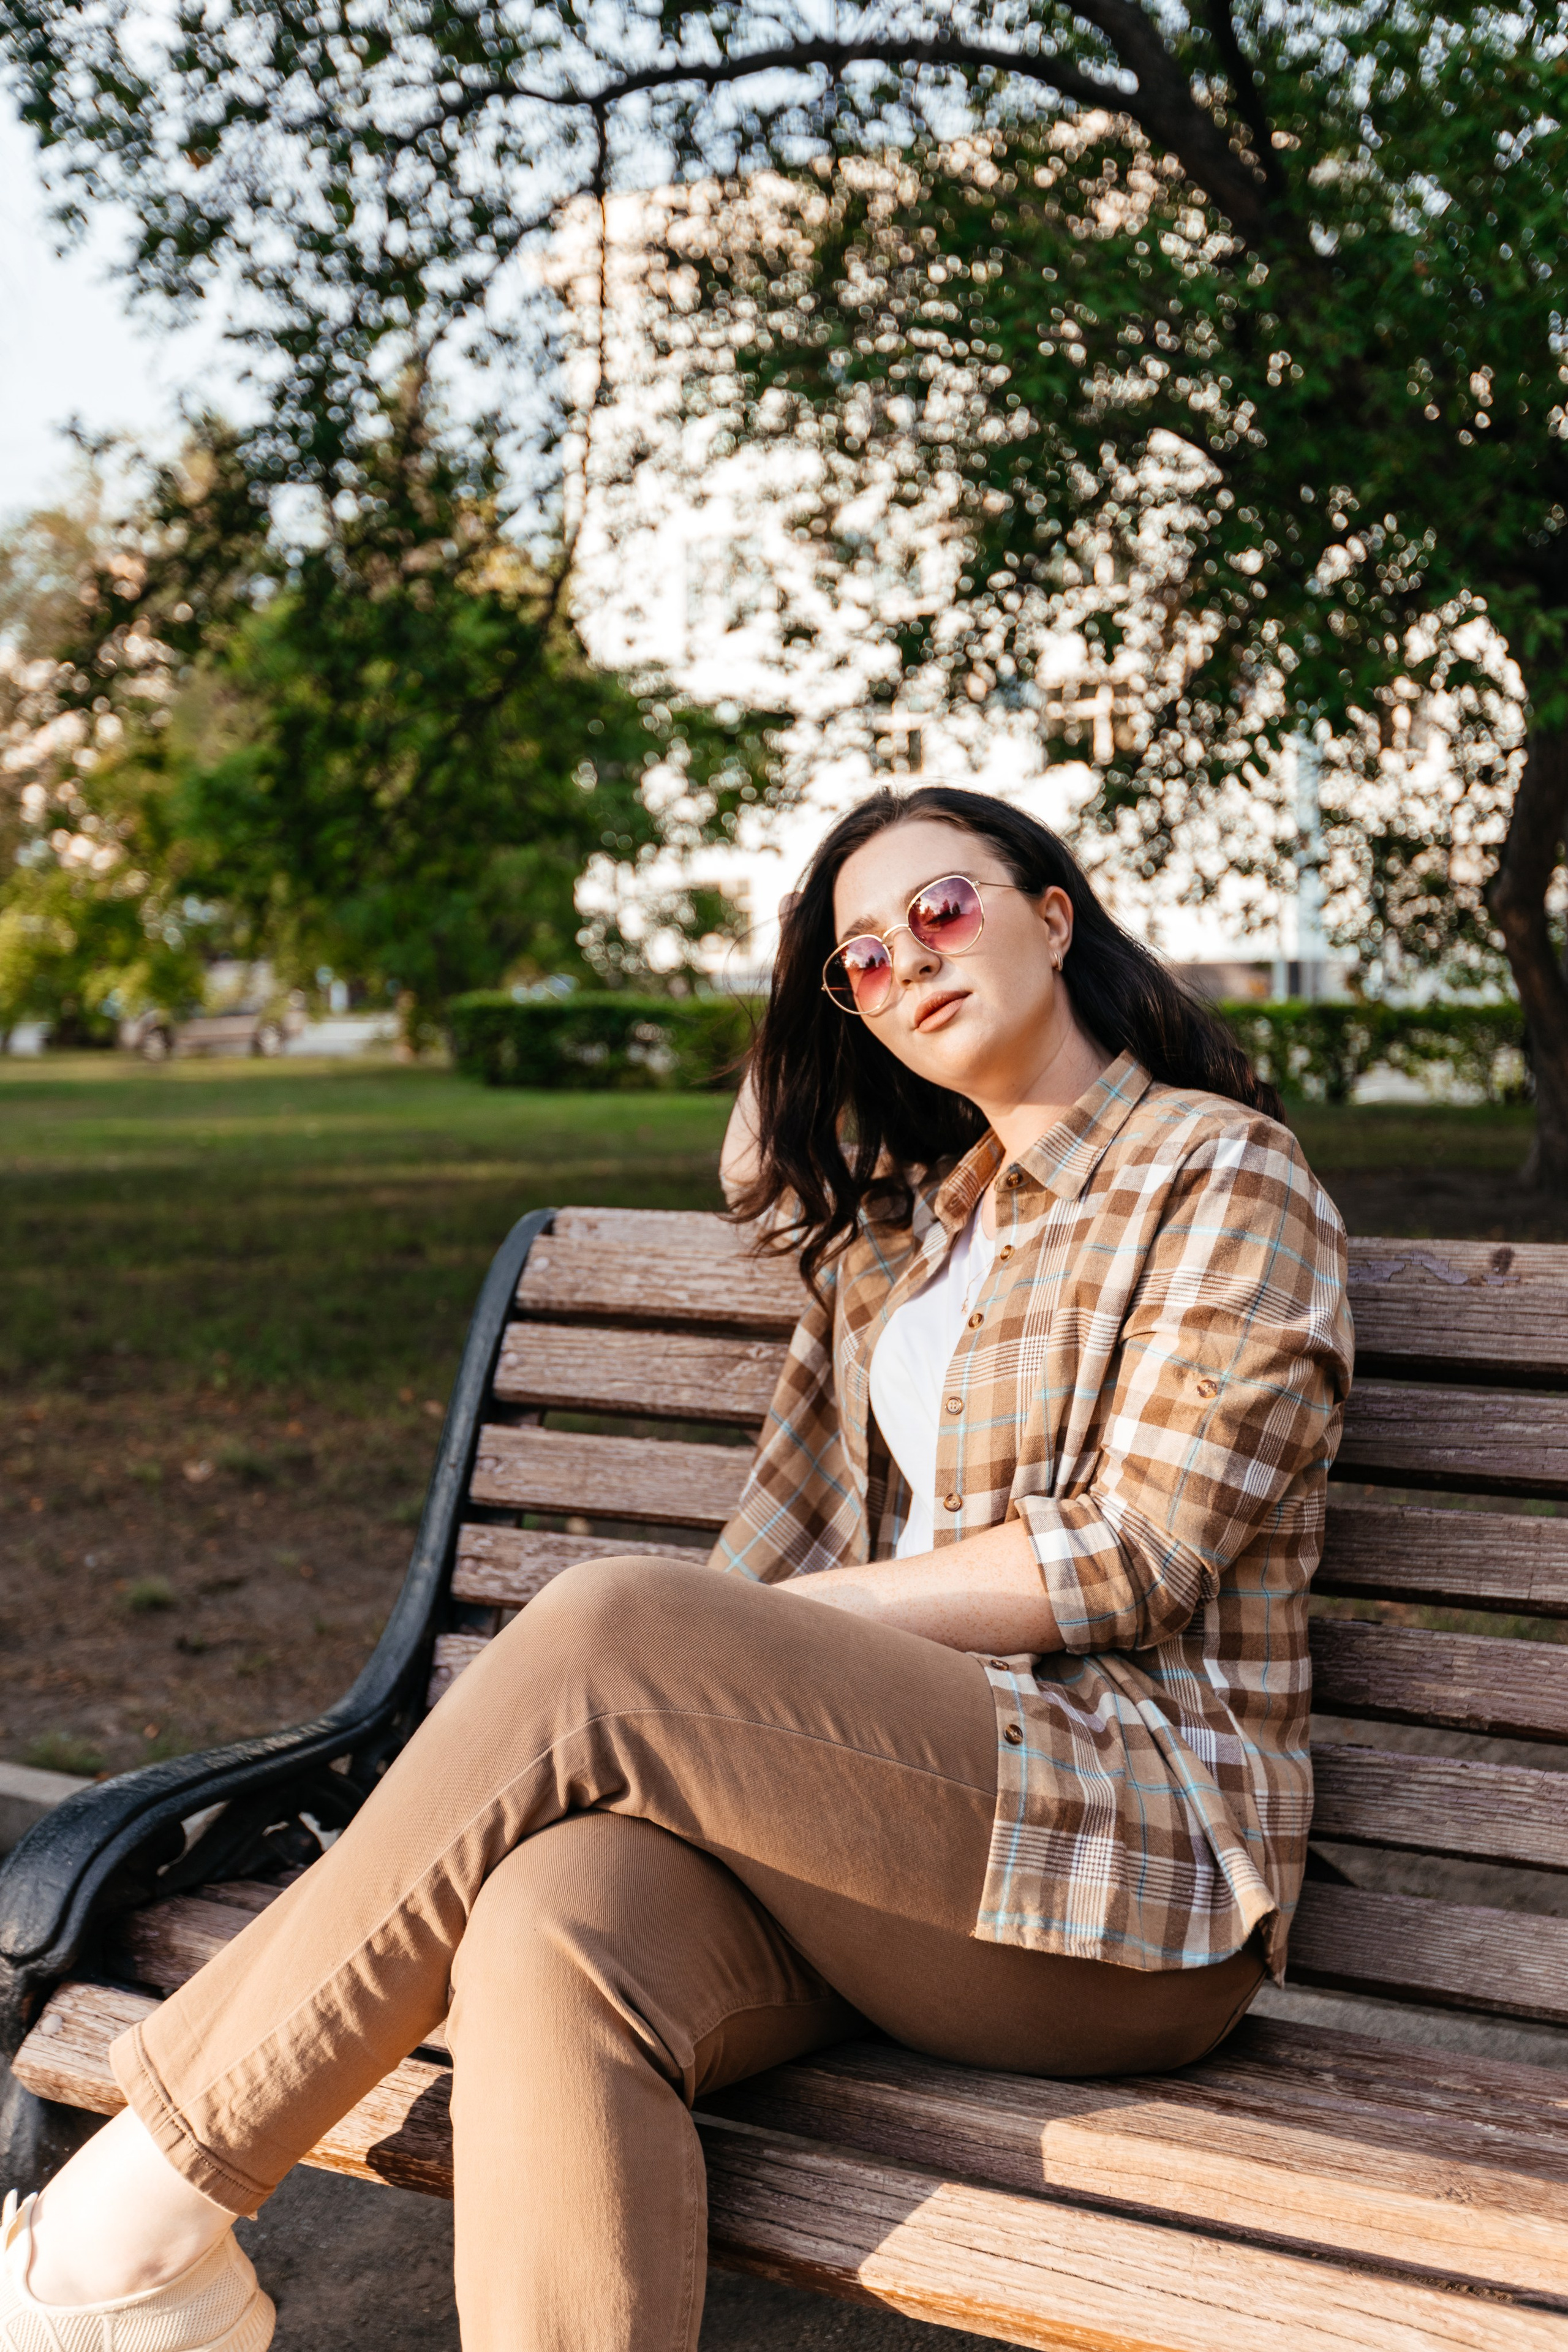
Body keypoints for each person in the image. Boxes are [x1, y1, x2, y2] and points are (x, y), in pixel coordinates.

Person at [1, 784, 1352, 2352]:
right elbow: (757, 1171)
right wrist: (813, 1015)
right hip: (880, 1857)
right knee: (552, 1917)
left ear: (1055, 916)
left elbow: (1137, 1554)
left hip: (1124, 1867)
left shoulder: (1222, 1176)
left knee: (621, 1624)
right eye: (858, 961)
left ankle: (134, 2222)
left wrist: (750, 1634)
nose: (905, 962)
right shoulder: (913, 1238)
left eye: (942, 908)